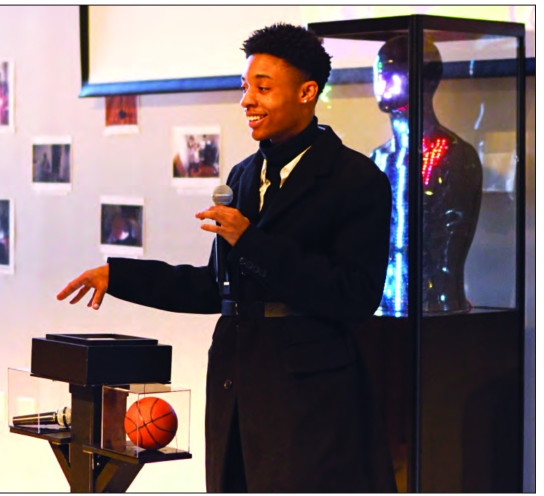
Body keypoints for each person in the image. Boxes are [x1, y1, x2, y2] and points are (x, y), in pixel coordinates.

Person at [57, 23, 396, 493]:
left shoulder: (356, 179)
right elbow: (215, 287)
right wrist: (119, 276)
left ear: (307, 92)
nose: (246, 101)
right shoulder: (243, 175)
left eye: (263, 88)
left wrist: (251, 241)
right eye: (244, 87)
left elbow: (355, 295)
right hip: (234, 385)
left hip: (310, 397)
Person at [370, 35, 482, 316]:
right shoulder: (378, 158)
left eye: (393, 72)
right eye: (378, 72)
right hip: (383, 309)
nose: (383, 81)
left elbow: (447, 249)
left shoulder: (454, 156)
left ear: (427, 81)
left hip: (436, 310)